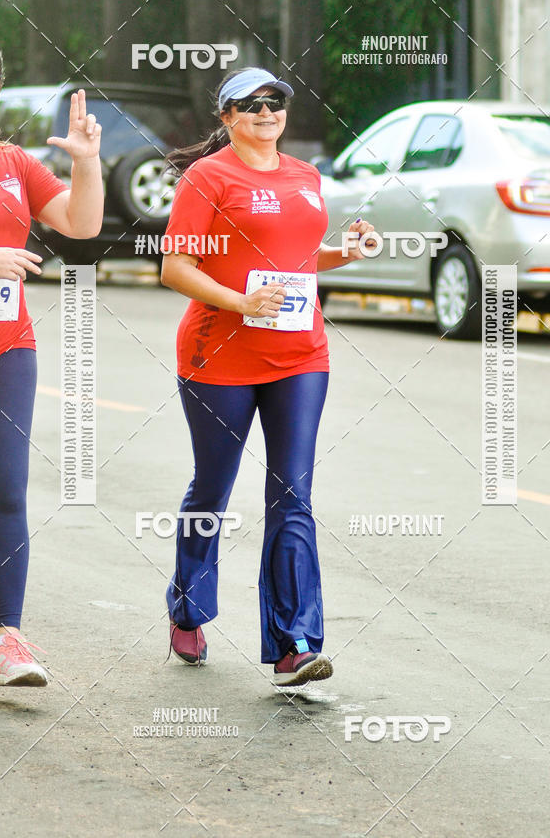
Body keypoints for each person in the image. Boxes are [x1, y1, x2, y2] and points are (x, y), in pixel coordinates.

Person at [161, 66, 373, 687]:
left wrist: (347, 253)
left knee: (293, 495)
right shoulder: (208, 177)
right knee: (212, 488)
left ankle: (294, 643)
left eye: (275, 101)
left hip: (300, 356)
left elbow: (300, 258)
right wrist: (238, 302)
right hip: (218, 356)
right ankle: (187, 606)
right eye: (249, 103)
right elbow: (176, 268)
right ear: (226, 116)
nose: (265, 111)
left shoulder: (306, 177)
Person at [0, 40, 103, 687]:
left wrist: (87, 164)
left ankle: (8, 635)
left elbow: (80, 226)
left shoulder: (13, 162)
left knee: (5, 488)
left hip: (8, 346)